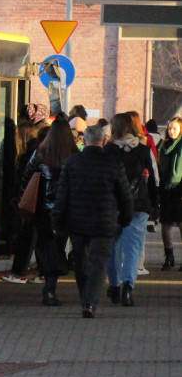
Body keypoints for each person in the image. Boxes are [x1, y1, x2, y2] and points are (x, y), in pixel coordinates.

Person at [53, 124, 133, 318]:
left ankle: (85, 298)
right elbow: (125, 195)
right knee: (98, 262)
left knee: (80, 261)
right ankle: (89, 303)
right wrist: (125, 218)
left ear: (84, 141)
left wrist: (57, 222)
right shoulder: (113, 163)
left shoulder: (71, 163)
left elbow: (61, 196)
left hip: (77, 222)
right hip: (104, 222)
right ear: (104, 140)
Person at [20, 122, 78, 305]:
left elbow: (26, 178)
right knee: (59, 245)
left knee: (46, 246)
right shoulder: (74, 155)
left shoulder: (40, 154)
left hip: (42, 209)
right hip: (66, 209)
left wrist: (22, 199)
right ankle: (51, 287)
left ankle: (49, 286)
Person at [105, 112, 159, 307]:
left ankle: (114, 285)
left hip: (114, 207)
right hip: (139, 205)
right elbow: (154, 180)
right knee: (133, 249)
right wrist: (154, 204)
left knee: (112, 247)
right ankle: (128, 287)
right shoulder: (144, 151)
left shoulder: (109, 150)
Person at [3, 118, 43, 283]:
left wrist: (18, 197)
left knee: (27, 237)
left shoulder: (29, 155)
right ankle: (44, 273)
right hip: (38, 201)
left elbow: (25, 180)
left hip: (31, 202)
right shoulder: (37, 151)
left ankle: (19, 272)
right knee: (38, 238)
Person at [159, 118, 182, 271]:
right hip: (165, 188)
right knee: (165, 223)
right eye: (170, 128)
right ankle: (169, 256)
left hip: (180, 188)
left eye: (175, 128)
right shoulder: (163, 145)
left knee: (181, 224)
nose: (172, 131)